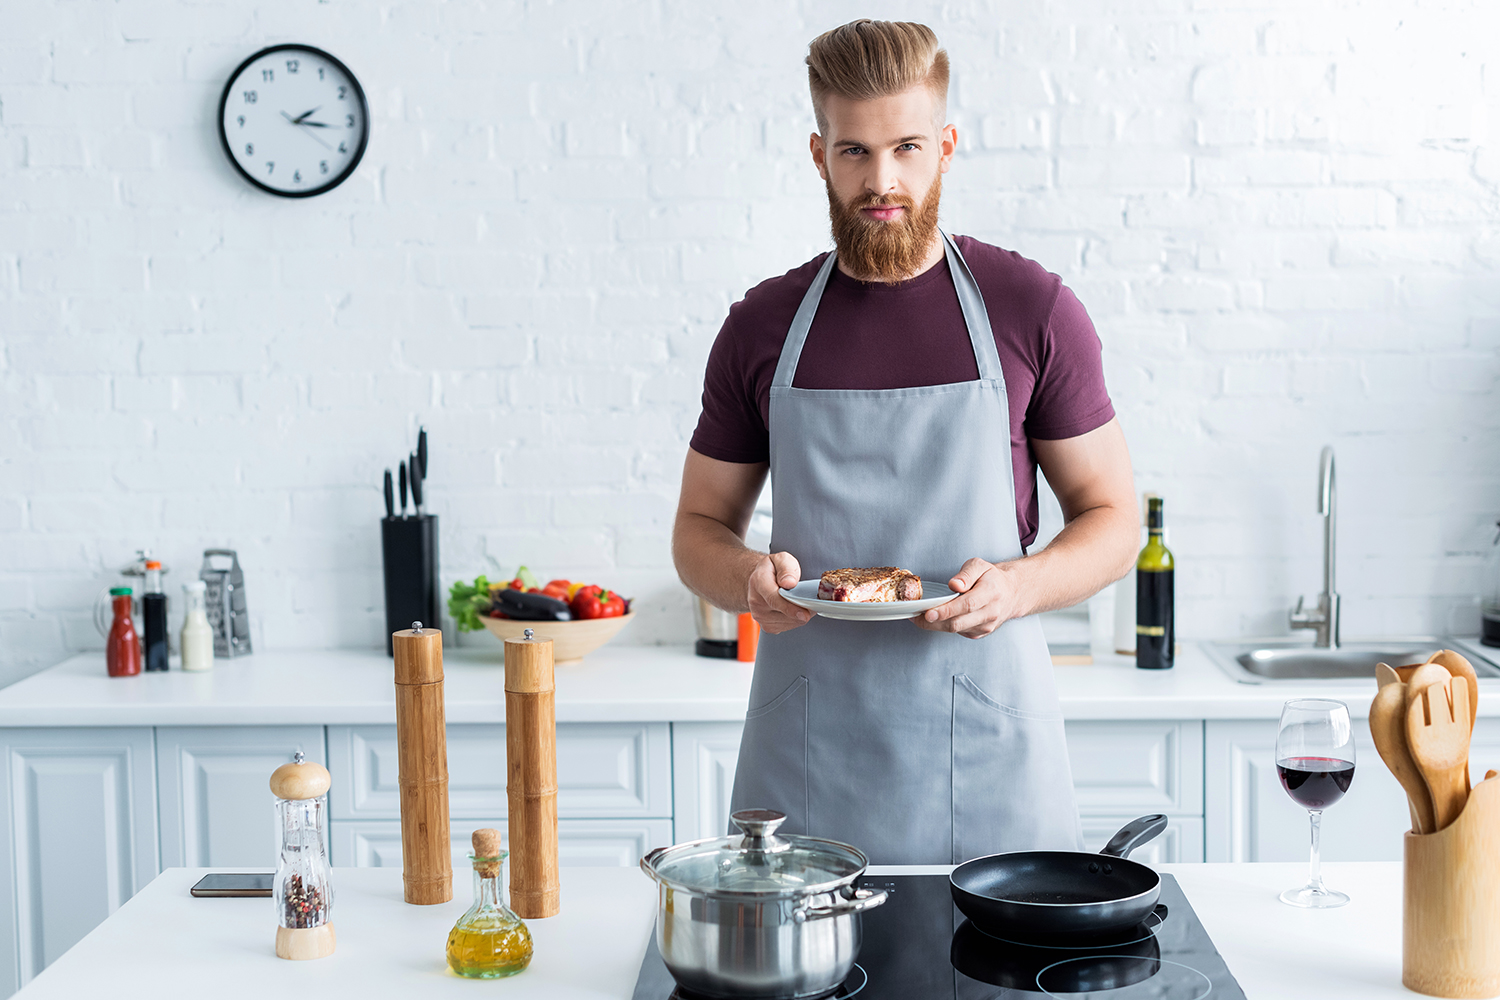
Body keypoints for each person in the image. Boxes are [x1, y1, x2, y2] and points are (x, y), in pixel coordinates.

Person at [671, 19, 1138, 864]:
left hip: (990, 744)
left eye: (908, 147)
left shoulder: (1032, 310)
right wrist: (744, 578)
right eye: (854, 152)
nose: (882, 181)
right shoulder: (761, 328)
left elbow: (1113, 519)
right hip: (810, 747)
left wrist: (1020, 587)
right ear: (819, 153)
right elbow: (696, 530)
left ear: (947, 147)